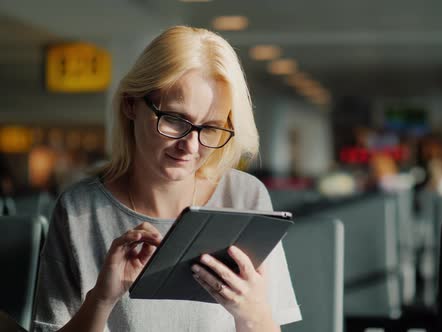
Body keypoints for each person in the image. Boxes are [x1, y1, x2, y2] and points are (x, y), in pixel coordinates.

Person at [33, 26, 301, 332]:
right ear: (130, 105)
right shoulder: (79, 209)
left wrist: (251, 315)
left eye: (210, 128)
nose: (191, 146)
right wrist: (102, 300)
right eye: (175, 120)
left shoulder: (245, 198)